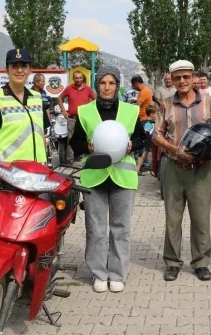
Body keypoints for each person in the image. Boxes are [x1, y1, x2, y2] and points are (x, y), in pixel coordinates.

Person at [70, 65, 146, 293]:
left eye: (112, 83)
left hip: (123, 176)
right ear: (97, 85)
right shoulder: (85, 111)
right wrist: (88, 146)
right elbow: (76, 143)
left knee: (120, 227)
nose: (107, 87)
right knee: (96, 228)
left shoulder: (130, 111)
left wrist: (133, 144)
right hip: (95, 177)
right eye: (103, 82)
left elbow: (143, 138)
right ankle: (98, 273)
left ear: (117, 86)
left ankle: (117, 273)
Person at [153, 60, 211, 282]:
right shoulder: (165, 104)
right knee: (172, 218)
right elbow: (156, 135)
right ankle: (172, 262)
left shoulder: (208, 102)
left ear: (194, 77)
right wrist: (176, 150)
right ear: (172, 80)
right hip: (174, 168)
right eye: (177, 77)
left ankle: (201, 262)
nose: (182, 81)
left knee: (201, 218)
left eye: (186, 76)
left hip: (201, 170)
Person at [0, 49, 51, 176]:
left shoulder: (37, 98)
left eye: (24, 66)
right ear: (7, 70)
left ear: (30, 70)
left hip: (37, 173)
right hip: (8, 174)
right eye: (14, 66)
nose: (19, 70)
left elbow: (42, 134)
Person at [57, 71, 96, 163]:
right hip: (72, 119)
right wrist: (63, 111)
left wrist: (92, 111)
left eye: (80, 77)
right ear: (73, 79)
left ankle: (86, 159)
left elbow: (95, 100)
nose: (78, 80)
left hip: (85, 119)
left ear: (83, 78)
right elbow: (59, 98)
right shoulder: (69, 88)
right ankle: (70, 160)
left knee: (87, 138)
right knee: (71, 139)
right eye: (76, 78)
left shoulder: (88, 89)